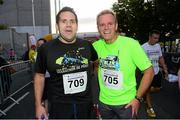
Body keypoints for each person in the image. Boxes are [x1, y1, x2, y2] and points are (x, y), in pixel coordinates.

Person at [34, 6, 98, 119]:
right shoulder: (45, 49)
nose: (68, 25)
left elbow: (95, 62)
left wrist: (92, 75)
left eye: (72, 21)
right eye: (64, 21)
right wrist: (38, 105)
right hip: (59, 107)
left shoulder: (87, 45)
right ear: (57, 26)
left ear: (76, 26)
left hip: (85, 106)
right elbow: (39, 76)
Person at [93, 9, 154, 119]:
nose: (106, 28)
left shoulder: (131, 44)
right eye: (102, 25)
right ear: (98, 28)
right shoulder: (96, 46)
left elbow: (149, 72)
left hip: (127, 104)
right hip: (104, 103)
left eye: (110, 24)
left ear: (116, 26)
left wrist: (138, 98)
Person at [142, 30, 168, 118]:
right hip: (147, 73)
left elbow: (160, 57)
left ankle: (144, 93)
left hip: (157, 71)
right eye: (155, 38)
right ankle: (150, 107)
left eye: (157, 38)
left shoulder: (157, 46)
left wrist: (164, 68)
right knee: (148, 89)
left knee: (158, 88)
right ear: (150, 37)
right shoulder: (143, 47)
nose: (156, 40)